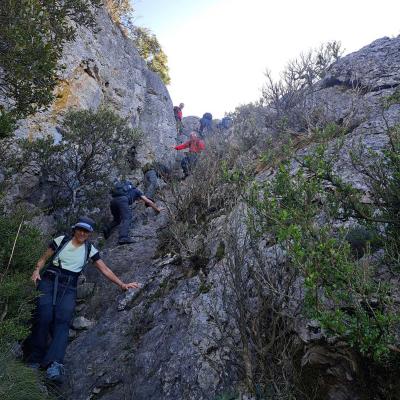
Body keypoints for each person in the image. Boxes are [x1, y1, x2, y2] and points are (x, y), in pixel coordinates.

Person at [28, 216, 140, 383]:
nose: (82, 233)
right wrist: (36, 271)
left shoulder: (90, 250)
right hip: (49, 282)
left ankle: (54, 364)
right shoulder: (61, 240)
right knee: (43, 317)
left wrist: (122, 284)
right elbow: (44, 258)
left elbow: (105, 269)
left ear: (89, 233)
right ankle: (34, 360)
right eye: (80, 229)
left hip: (69, 287)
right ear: (74, 229)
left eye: (86, 231)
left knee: (63, 320)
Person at [103, 180, 162, 244]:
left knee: (117, 220)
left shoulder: (125, 191)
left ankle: (107, 227)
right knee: (127, 218)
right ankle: (123, 237)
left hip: (113, 202)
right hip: (122, 200)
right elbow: (148, 201)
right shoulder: (137, 191)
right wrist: (157, 209)